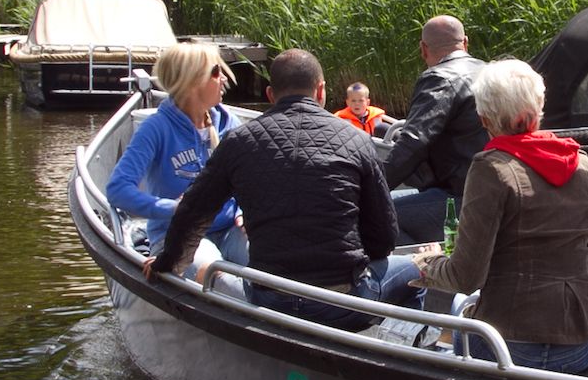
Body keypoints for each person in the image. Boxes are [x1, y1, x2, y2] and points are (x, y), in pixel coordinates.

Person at [158, 48, 423, 330]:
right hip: (345, 303)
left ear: (270, 95)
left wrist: (167, 263)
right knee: (416, 271)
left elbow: (192, 213)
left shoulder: (238, 142)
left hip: (270, 300)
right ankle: (397, 351)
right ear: (321, 91)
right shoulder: (357, 141)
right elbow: (384, 237)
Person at [415, 59, 588, 374]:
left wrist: (429, 265)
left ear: (484, 118)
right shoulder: (584, 165)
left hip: (509, 345)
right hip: (578, 346)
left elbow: (467, 277)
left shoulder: (491, 168)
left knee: (448, 330)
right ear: (540, 106)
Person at [106, 41, 247, 272]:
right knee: (216, 276)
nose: (224, 79)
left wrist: (244, 212)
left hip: (230, 230)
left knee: (271, 263)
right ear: (192, 80)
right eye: (216, 71)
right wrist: (173, 209)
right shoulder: (156, 129)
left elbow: (248, 179)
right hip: (176, 235)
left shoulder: (229, 123)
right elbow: (118, 189)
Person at [382, 15, 486, 244]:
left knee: (375, 217)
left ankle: (427, 276)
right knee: (396, 198)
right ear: (466, 43)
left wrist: (370, 189)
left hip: (460, 199)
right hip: (491, 192)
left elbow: (413, 143)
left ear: (423, 49)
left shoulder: (438, 77)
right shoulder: (490, 72)